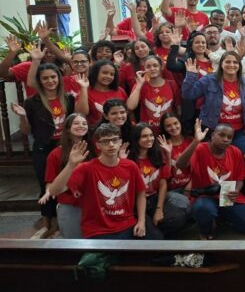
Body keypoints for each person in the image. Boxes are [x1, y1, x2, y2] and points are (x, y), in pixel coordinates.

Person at [12, 64, 88, 235]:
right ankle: (48, 223)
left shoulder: (68, 98)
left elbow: (81, 115)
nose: (50, 81)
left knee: (68, 182)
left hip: (67, 147)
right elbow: (25, 131)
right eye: (45, 78)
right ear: (39, 81)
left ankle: (63, 220)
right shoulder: (32, 102)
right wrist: (23, 116)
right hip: (43, 147)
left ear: (59, 79)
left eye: (53, 77)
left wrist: (83, 91)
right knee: (45, 185)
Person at [48, 123, 147, 239]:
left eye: (115, 140)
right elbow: (54, 191)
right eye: (105, 141)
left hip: (127, 225)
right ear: (98, 145)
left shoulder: (131, 166)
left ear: (120, 142)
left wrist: (141, 221)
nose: (111, 144)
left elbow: (141, 194)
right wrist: (70, 165)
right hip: (97, 230)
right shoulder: (86, 168)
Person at [174, 120, 245, 239]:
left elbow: (240, 178)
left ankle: (222, 216)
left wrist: (236, 190)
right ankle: (206, 231)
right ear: (213, 134)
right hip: (205, 195)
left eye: (229, 137)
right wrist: (196, 141)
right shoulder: (200, 149)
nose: (225, 139)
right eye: (222, 135)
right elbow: (180, 165)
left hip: (226, 194)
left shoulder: (235, 151)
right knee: (203, 209)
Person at [182, 51, 245, 153]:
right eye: (228, 62)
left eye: (235, 62)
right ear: (221, 64)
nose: (231, 65)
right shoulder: (208, 80)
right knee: (209, 160)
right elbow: (188, 94)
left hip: (238, 132)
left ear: (239, 66)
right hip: (211, 129)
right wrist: (191, 75)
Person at [127, 123, 187, 239]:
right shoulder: (129, 159)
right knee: (155, 237)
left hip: (154, 199)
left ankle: (156, 233)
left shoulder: (158, 155)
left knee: (179, 217)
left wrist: (159, 209)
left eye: (151, 135)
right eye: (144, 136)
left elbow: (163, 183)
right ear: (136, 139)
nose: (149, 139)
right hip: (136, 204)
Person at [39, 113, 92, 238]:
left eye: (84, 123)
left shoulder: (94, 149)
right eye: (76, 123)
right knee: (74, 243)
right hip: (70, 204)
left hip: (92, 203)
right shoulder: (55, 154)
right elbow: (50, 182)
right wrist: (49, 191)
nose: (81, 126)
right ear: (68, 129)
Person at [126, 55, 180, 133]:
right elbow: (130, 106)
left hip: (168, 131)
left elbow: (178, 109)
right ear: (144, 69)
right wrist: (139, 84)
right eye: (148, 67)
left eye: (155, 65)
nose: (152, 69)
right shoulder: (141, 85)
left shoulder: (172, 84)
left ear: (161, 67)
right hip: (148, 132)